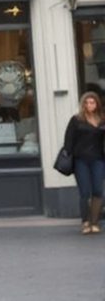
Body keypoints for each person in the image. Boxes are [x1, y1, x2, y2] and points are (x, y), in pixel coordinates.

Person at [66, 86, 105, 234]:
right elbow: (68, 140)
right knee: (85, 192)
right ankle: (86, 221)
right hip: (81, 160)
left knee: (97, 190)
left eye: (93, 103)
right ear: (83, 105)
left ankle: (95, 222)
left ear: (97, 104)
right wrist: (71, 154)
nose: (90, 105)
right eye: (87, 103)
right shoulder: (76, 120)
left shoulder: (102, 120)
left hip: (98, 159)